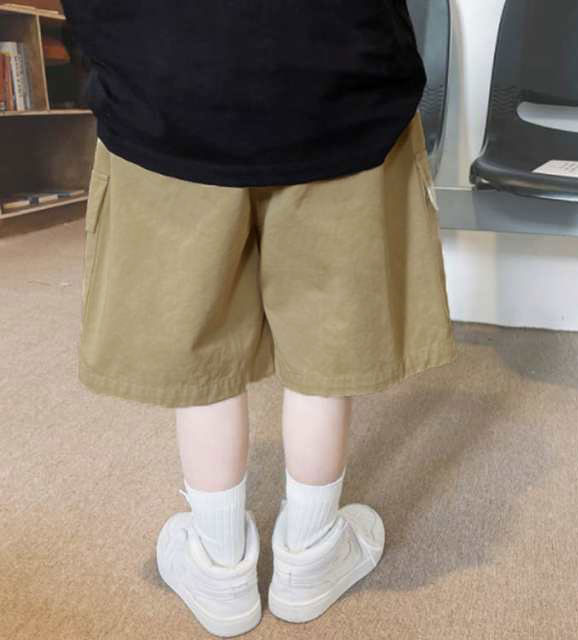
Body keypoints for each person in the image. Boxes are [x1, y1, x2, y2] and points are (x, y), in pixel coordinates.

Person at [61, 1, 457, 636]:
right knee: (329, 334)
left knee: (198, 333)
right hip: (337, 75)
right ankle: (312, 555)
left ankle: (219, 567)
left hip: (166, 74)